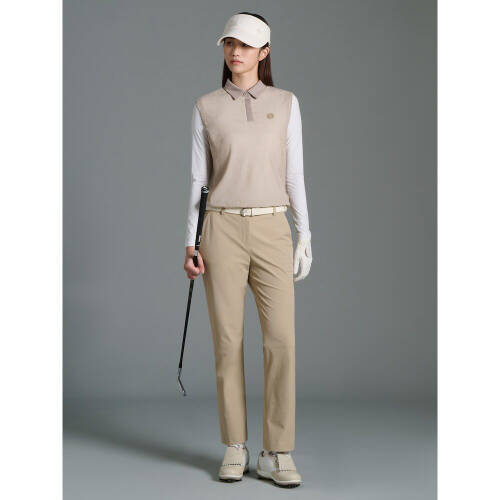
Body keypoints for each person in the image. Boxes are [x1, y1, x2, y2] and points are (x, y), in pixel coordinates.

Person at [183, 12, 312, 488]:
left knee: (281, 340)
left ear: (264, 51)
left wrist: (305, 233)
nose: (235, 52)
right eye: (229, 44)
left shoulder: (286, 103)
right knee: (227, 341)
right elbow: (198, 180)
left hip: (273, 229)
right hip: (221, 229)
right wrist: (191, 241)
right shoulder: (206, 107)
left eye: (245, 44)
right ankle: (235, 445)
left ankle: (277, 450)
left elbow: (294, 174)